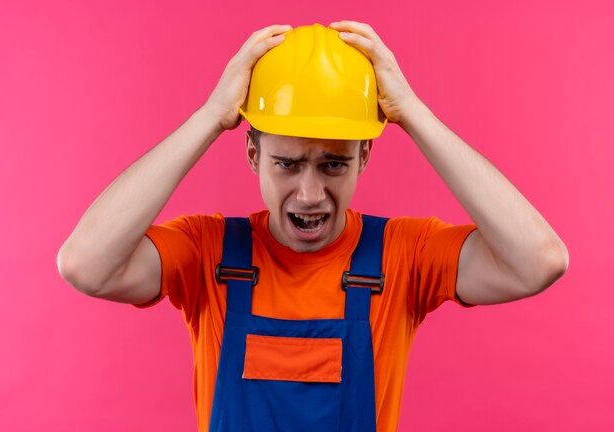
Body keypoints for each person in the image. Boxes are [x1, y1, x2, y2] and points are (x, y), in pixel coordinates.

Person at [57, 21, 568, 432]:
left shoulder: (402, 255)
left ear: (364, 155)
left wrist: (411, 112)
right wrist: (211, 115)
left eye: (333, 164)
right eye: (287, 163)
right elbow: (86, 265)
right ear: (252, 152)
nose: (309, 194)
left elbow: (538, 262)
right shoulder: (207, 250)